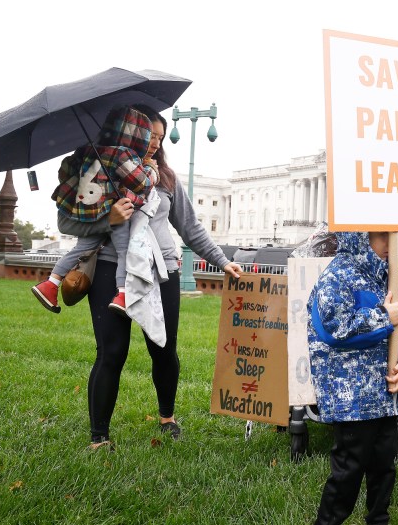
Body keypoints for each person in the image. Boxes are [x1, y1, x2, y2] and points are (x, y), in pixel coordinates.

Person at [58, 105, 243, 449]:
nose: (155, 142)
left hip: (161, 274)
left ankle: (167, 418)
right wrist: (108, 219)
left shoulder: (167, 180)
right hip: (110, 272)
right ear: (128, 133)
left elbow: (190, 227)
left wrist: (221, 261)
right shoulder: (96, 172)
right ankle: (99, 436)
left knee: (163, 349)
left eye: (159, 137)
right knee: (111, 352)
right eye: (149, 135)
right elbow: (67, 224)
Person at [302, 231, 398, 525]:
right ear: (361, 237)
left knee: (385, 460)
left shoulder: (390, 276)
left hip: (385, 393)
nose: (390, 245)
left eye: (393, 236)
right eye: (382, 237)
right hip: (350, 394)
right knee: (350, 464)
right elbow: (333, 327)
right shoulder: (339, 274)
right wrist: (384, 317)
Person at [32, 106, 158, 315]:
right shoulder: (122, 153)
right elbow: (142, 184)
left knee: (81, 249)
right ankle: (123, 294)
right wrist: (151, 169)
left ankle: (50, 284)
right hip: (113, 211)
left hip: (87, 213)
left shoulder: (87, 149)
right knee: (124, 251)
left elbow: (64, 172)